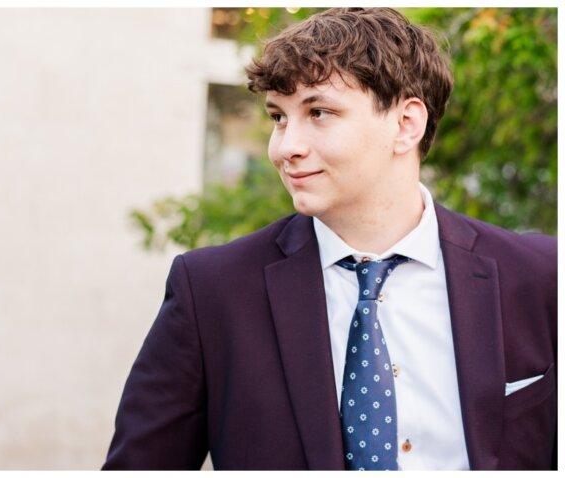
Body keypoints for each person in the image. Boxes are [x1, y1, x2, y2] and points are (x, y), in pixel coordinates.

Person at [103, 8, 555, 470]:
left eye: (319, 112)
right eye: (279, 117)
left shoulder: (543, 278)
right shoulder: (211, 290)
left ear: (405, 124)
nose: (284, 148)